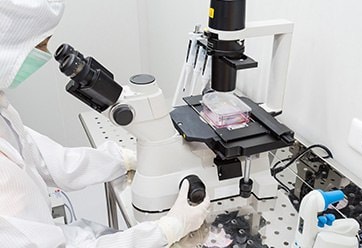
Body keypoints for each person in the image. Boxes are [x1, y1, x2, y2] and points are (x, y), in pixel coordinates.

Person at [0, 0, 210, 247]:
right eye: (40, 45)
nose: (46, 54)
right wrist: (169, 229)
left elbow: (45, 159)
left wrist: (122, 159)